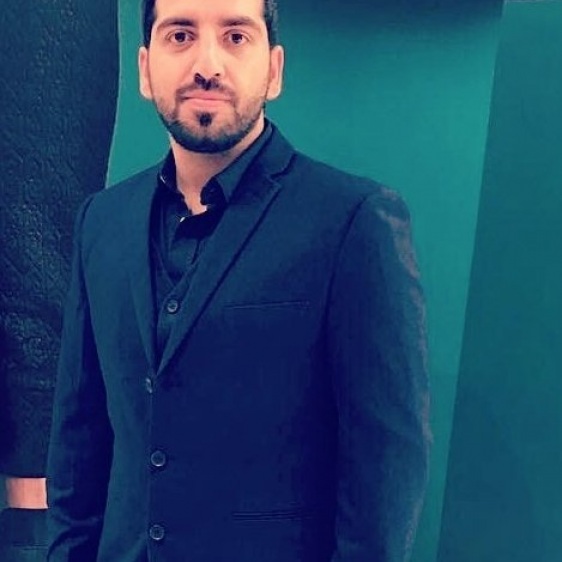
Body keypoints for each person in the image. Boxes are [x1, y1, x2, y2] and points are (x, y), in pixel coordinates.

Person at [46, 0, 431, 560]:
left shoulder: (353, 221)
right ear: (145, 69)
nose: (207, 64)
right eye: (180, 35)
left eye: (235, 36)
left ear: (273, 69)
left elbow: (385, 469)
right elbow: (78, 440)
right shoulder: (101, 221)